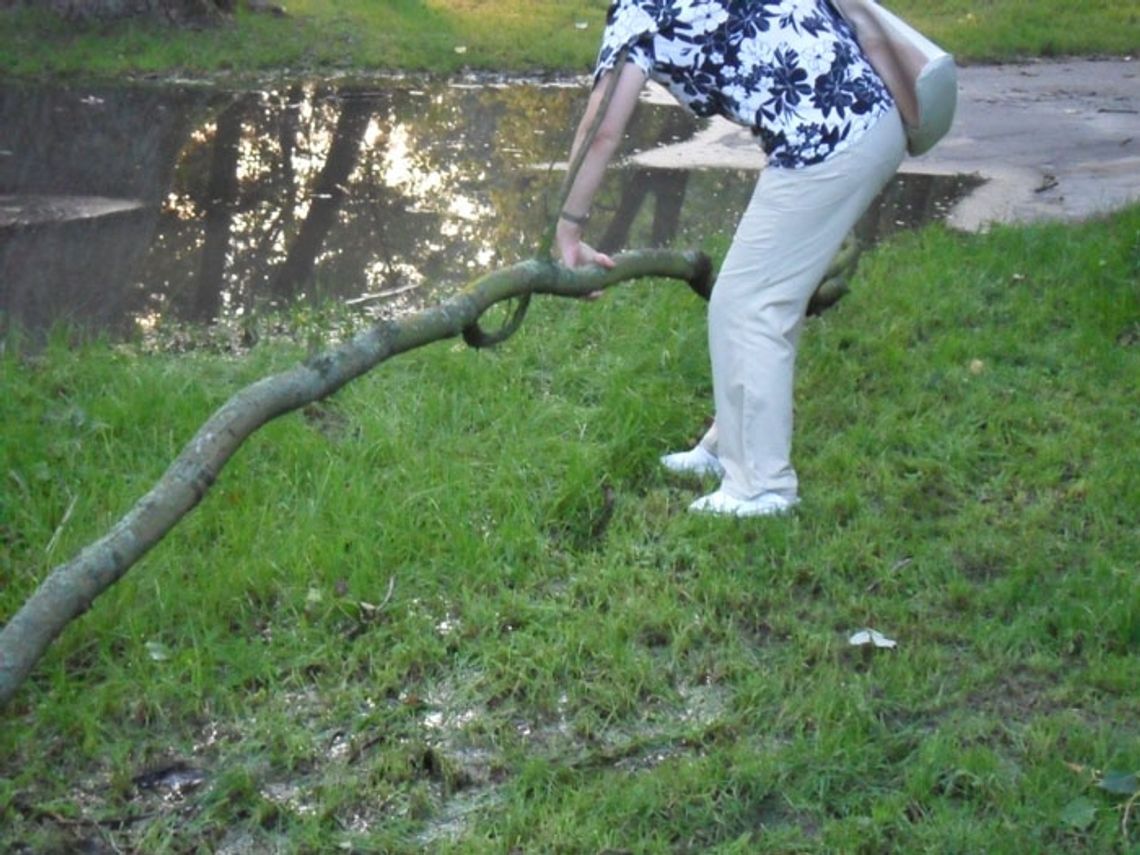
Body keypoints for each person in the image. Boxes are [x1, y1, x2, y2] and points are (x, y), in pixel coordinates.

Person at [556, 0, 906, 517]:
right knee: (760, 299)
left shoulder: (638, 9)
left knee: (748, 305)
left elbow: (601, 128)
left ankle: (763, 486)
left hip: (831, 139)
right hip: (865, 121)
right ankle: (728, 446)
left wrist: (568, 229)